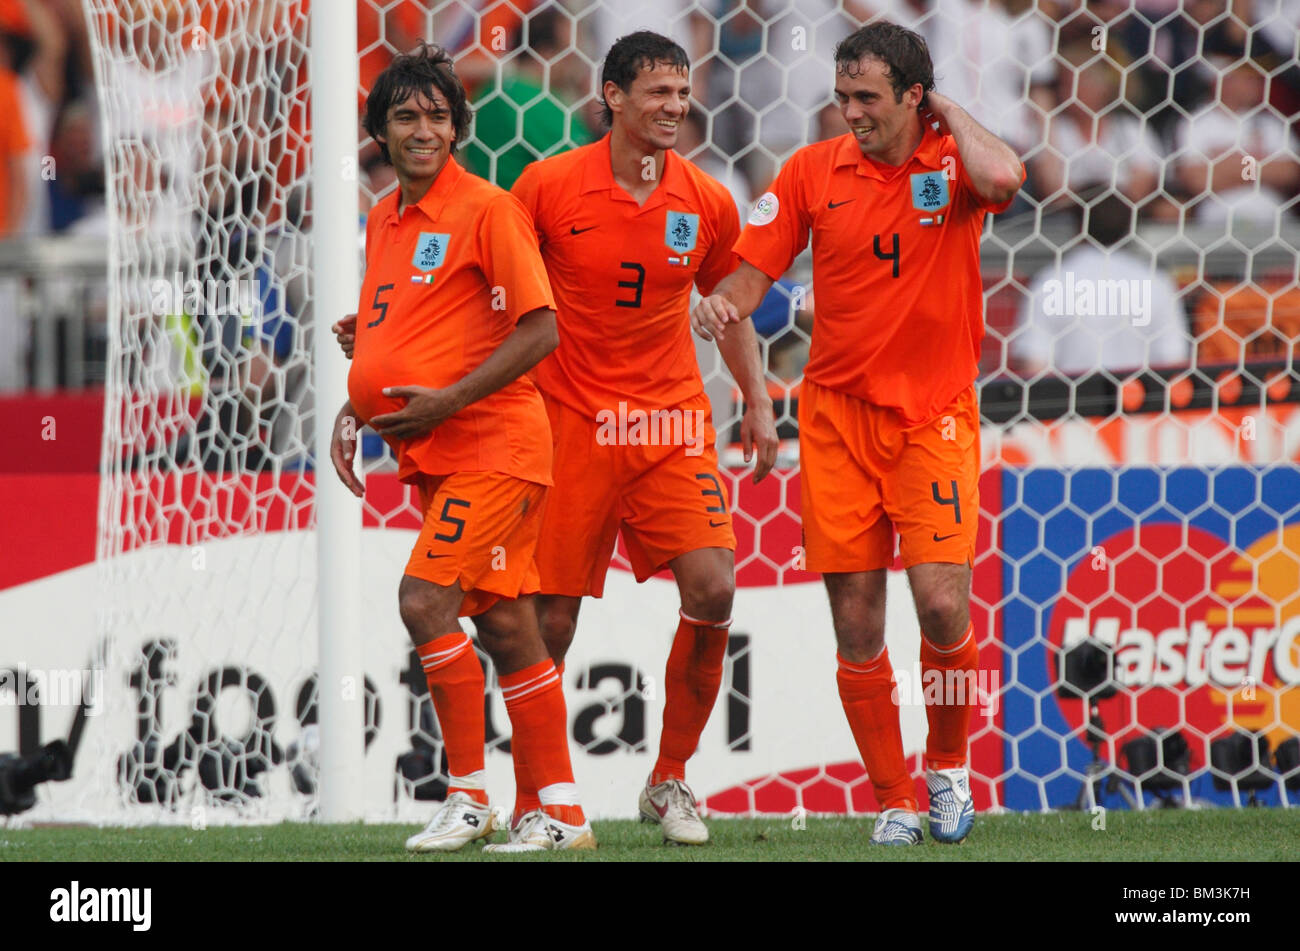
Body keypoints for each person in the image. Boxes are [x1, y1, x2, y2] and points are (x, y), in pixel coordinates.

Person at [337, 31, 779, 847]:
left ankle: (669, 777)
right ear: (612, 97)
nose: (676, 107)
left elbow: (727, 300)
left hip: (669, 421)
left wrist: (754, 398)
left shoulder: (708, 199)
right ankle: (538, 800)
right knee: (541, 625)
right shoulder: (545, 188)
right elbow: (489, 287)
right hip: (567, 417)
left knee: (714, 588)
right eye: (658, 93)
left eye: (683, 93)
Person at [692, 21, 1022, 845]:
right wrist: (723, 302)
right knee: (857, 621)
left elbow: (1008, 175)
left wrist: (944, 109)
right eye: (842, 97)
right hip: (836, 418)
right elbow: (749, 271)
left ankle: (948, 769)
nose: (850, 113)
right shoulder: (811, 170)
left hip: (934, 413)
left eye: (868, 98)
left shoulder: (952, 162)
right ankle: (894, 798)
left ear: (914, 95)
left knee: (943, 605)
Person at [329, 43, 593, 854]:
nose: (423, 130)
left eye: (438, 116)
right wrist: (357, 399)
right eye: (406, 115)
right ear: (379, 129)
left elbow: (541, 328)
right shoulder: (384, 216)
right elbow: (402, 331)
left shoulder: (488, 209)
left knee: (423, 601)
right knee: (509, 626)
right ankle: (563, 813)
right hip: (437, 453)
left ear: (458, 127)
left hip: (496, 445)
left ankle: (470, 793)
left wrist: (443, 398)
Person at [1011, 192, 1191, 377]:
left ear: (1078, 225)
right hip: (1136, 401)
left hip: (1069, 402)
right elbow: (1172, 362)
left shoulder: (1051, 281)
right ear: (1129, 226)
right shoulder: (1156, 282)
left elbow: (1033, 366)